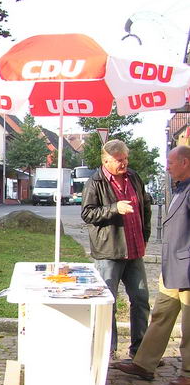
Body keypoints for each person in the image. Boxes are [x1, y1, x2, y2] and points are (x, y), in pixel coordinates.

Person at [114, 145, 190, 385]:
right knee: (161, 315)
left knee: (189, 324)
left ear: (185, 162)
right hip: (173, 268)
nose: (167, 167)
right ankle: (144, 364)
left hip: (187, 268)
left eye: (171, 162)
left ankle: (188, 371)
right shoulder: (179, 188)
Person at [81, 139, 151, 358]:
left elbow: (145, 207)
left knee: (140, 300)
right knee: (107, 303)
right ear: (106, 161)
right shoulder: (95, 182)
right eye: (119, 160)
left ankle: (139, 350)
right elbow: (88, 213)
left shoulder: (134, 177)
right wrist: (114, 208)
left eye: (125, 159)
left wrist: (145, 235)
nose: (124, 163)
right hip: (109, 252)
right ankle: (108, 350)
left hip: (134, 250)